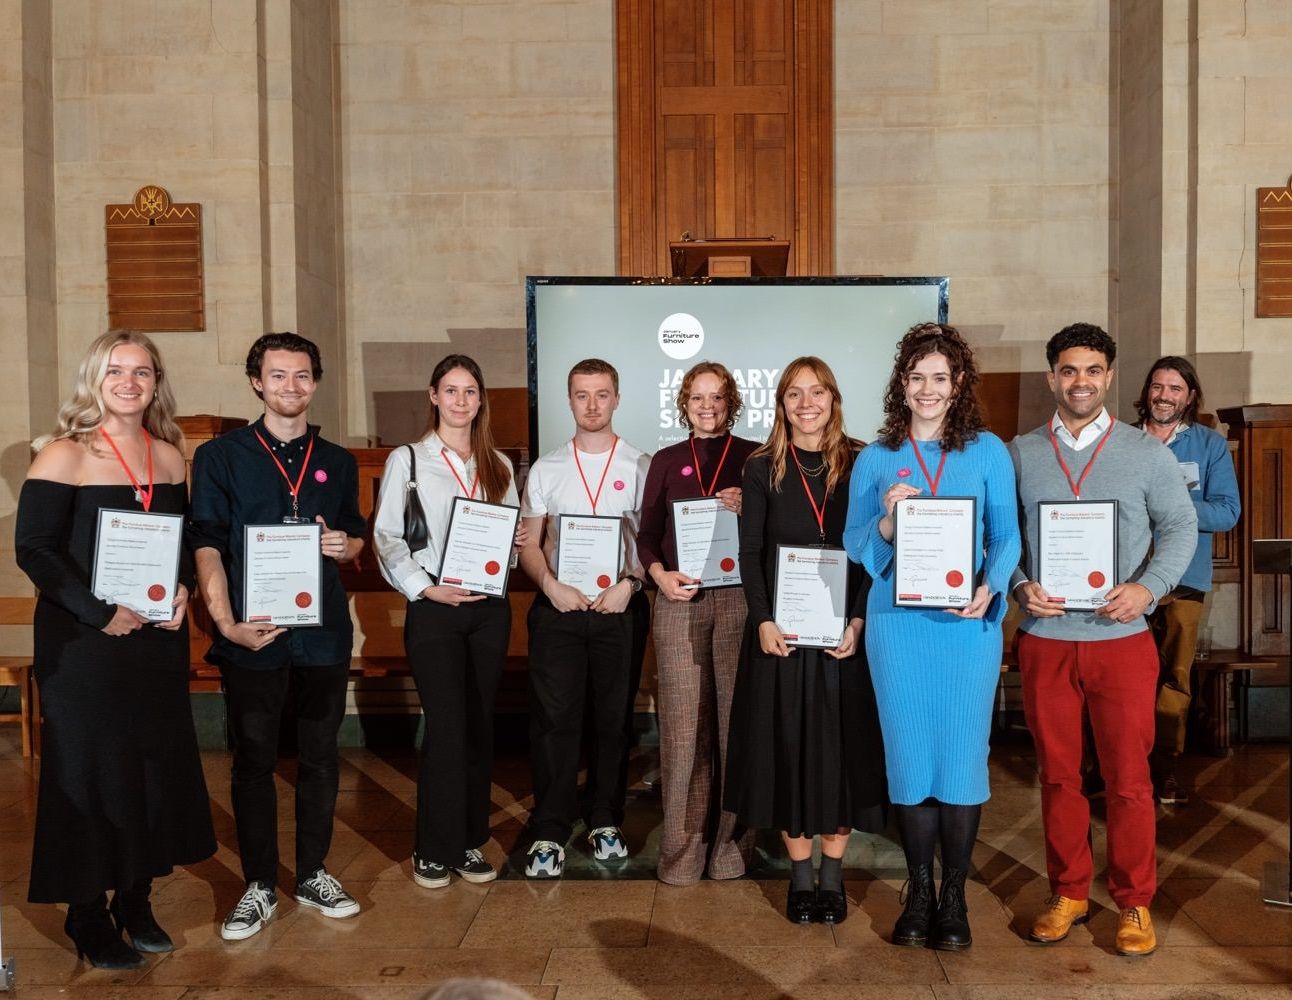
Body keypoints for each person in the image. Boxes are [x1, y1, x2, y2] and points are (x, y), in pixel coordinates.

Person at [15, 330, 216, 969]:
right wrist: (100, 613)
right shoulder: (62, 455)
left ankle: (135, 898)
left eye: (142, 372)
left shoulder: (171, 455)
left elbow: (179, 542)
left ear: (157, 382)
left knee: (150, 768)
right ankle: (85, 914)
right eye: (116, 371)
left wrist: (183, 587)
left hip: (154, 640)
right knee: (89, 771)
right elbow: (36, 550)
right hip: (85, 644)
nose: (129, 383)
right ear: (95, 379)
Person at [1010, 323, 1197, 957]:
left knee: (1128, 779)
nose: (1080, 381)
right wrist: (1018, 582)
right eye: (1068, 370)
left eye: (1092, 370)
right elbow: (999, 538)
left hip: (1121, 639)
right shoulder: (1021, 453)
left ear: (1110, 377)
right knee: (1058, 776)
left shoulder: (1148, 454)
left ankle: (1135, 902)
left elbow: (1180, 528)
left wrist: (1150, 589)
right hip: (1047, 638)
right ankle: (1067, 893)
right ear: (1051, 378)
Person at [843, 323, 1021, 950]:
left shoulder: (988, 452)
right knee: (911, 761)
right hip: (898, 630)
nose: (927, 388)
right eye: (916, 376)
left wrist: (991, 584)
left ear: (958, 384)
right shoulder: (875, 458)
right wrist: (888, 523)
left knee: (962, 764)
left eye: (939, 377)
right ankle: (918, 893)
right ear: (902, 383)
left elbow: (1007, 536)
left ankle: (955, 899)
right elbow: (856, 547)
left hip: (966, 629)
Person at [190, 331, 366, 940]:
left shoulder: (338, 461)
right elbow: (206, 543)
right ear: (256, 382)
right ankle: (259, 883)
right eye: (279, 375)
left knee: (320, 757)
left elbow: (354, 535)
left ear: (316, 383)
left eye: (302, 376)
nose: (291, 387)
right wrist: (226, 623)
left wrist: (347, 546)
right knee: (254, 761)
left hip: (321, 633)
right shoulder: (221, 457)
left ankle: (314, 871)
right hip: (254, 632)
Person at [724, 356, 886, 925]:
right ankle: (799, 876)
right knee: (790, 749)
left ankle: (834, 875)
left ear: (834, 398)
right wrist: (763, 619)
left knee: (840, 755)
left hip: (844, 634)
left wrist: (860, 621)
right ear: (782, 404)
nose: (807, 403)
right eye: (794, 394)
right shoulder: (762, 465)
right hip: (783, 637)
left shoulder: (864, 461)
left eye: (817, 392)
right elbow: (750, 552)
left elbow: (873, 552)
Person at [373, 355, 524, 889]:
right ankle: (432, 848)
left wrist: (512, 546)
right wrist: (423, 587)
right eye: (451, 390)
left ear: (481, 400)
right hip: (435, 606)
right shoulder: (409, 459)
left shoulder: (500, 463)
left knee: (479, 723)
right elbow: (387, 537)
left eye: (470, 392)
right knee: (446, 724)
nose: (461, 401)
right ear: (433, 395)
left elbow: (508, 535)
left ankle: (468, 841)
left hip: (488, 610)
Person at [517, 358, 652, 878]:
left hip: (619, 607)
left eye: (602, 394)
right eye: (581, 395)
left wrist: (631, 584)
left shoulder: (641, 465)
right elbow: (531, 543)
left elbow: (649, 541)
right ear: (568, 400)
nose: (592, 404)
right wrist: (550, 585)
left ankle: (604, 819)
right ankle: (549, 827)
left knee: (612, 720)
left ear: (617, 398)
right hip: (559, 608)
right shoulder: (548, 468)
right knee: (554, 721)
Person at [636, 361, 758, 884]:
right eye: (696, 398)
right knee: (684, 730)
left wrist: (749, 505)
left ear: (731, 403)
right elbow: (646, 536)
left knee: (735, 725)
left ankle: (731, 846)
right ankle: (682, 852)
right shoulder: (665, 460)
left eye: (717, 398)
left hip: (738, 602)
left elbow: (776, 528)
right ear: (683, 404)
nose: (707, 407)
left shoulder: (755, 457)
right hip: (677, 600)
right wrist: (659, 577)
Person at [1133, 356, 1240, 805]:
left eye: (1175, 388)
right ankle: (1113, 765)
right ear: (1147, 391)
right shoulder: (1122, 440)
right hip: (1126, 582)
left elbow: (1227, 513)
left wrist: (1171, 503)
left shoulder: (1209, 445)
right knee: (1124, 677)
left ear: (1190, 396)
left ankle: (1164, 771)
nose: (1164, 396)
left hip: (1184, 581)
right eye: (1158, 386)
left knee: (1174, 679)